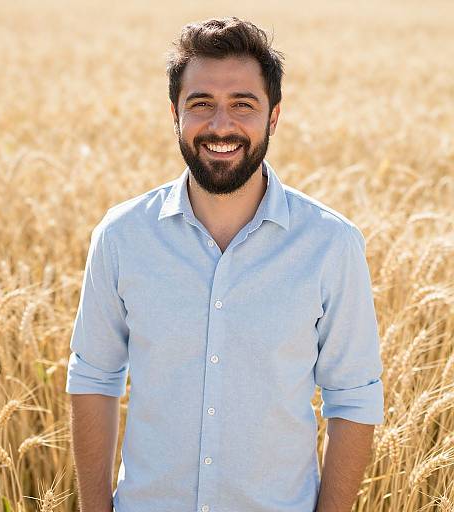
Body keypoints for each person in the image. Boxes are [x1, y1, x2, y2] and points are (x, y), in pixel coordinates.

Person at [65, 16, 385, 512]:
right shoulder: (121, 236)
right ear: (175, 113)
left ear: (273, 117)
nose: (220, 126)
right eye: (201, 104)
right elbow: (93, 377)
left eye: (243, 104)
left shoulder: (330, 244)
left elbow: (354, 398)